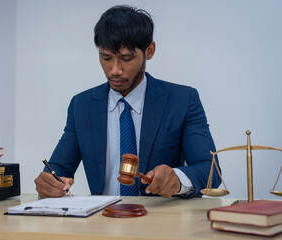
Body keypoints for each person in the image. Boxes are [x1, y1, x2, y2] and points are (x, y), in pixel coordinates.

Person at [35, 5, 221, 199]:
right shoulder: (81, 105)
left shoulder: (183, 100)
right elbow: (59, 168)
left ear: (149, 51)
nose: (114, 70)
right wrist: (48, 182)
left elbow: (211, 171)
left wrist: (178, 179)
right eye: (105, 57)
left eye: (126, 58)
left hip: (160, 222)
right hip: (101, 221)